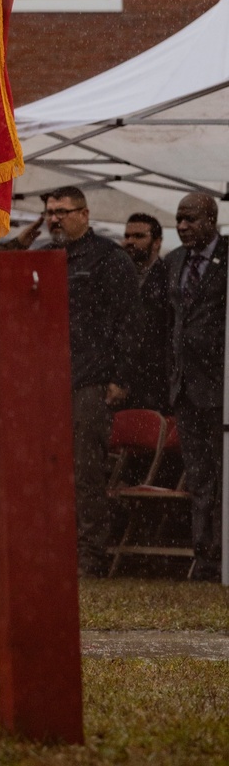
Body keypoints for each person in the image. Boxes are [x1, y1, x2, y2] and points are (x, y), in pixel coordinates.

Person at [44, 185, 139, 577]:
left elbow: (130, 321)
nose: (54, 219)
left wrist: (121, 377)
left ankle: (89, 558)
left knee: (85, 473)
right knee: (50, 473)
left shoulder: (108, 259)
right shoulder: (46, 257)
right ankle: (55, 550)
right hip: (48, 380)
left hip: (89, 379)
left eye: (62, 212)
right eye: (50, 212)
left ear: (84, 214)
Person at [163, 192, 227, 581]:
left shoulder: (228, 258)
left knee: (223, 477)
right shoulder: (173, 263)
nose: (182, 227)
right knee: (200, 478)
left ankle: (223, 556)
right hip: (185, 388)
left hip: (221, 387)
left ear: (212, 219)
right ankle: (204, 557)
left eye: (190, 219)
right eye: (178, 220)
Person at [122, 212, 169, 411]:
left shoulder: (168, 277)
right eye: (127, 236)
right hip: (122, 376)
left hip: (156, 380)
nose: (130, 241)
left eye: (139, 236)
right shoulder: (119, 276)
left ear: (157, 242)